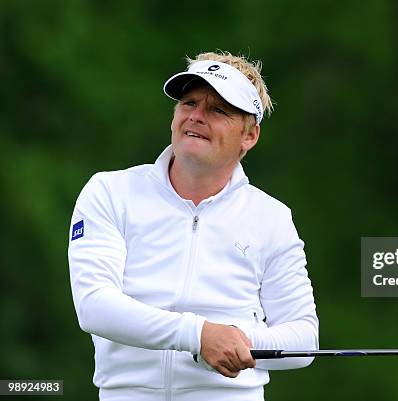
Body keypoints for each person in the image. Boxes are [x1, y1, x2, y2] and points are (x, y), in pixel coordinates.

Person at [68, 51, 319, 401]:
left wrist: (233, 338)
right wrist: (199, 335)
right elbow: (95, 306)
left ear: (249, 136)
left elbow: (304, 340)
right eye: (188, 103)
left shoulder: (272, 218)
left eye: (218, 110)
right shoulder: (110, 192)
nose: (197, 116)